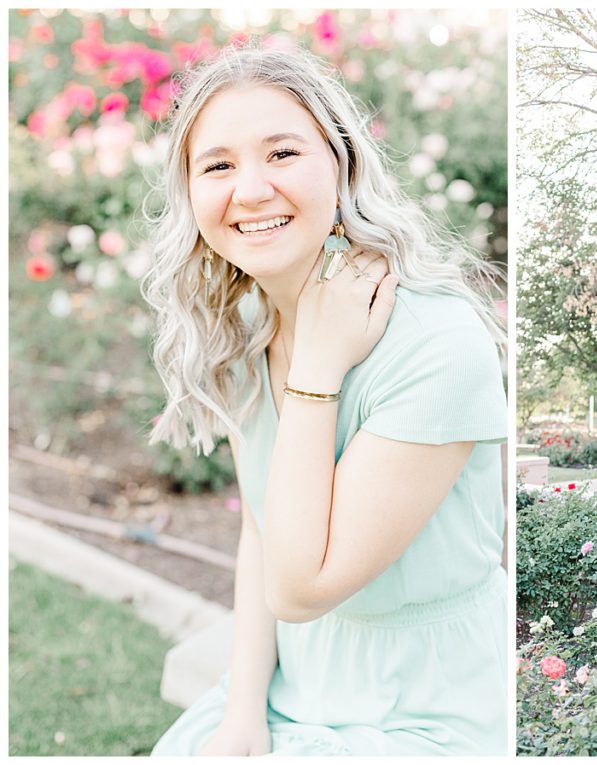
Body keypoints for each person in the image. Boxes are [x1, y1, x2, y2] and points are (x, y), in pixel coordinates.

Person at [142, 43, 507, 756]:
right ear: (191, 195)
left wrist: (317, 368)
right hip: (297, 679)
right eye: (217, 165)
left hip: (428, 701)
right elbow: (263, 531)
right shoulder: (247, 322)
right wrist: (242, 713)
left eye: (282, 153)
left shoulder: (436, 341)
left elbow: (303, 586)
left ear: (340, 167)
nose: (249, 190)